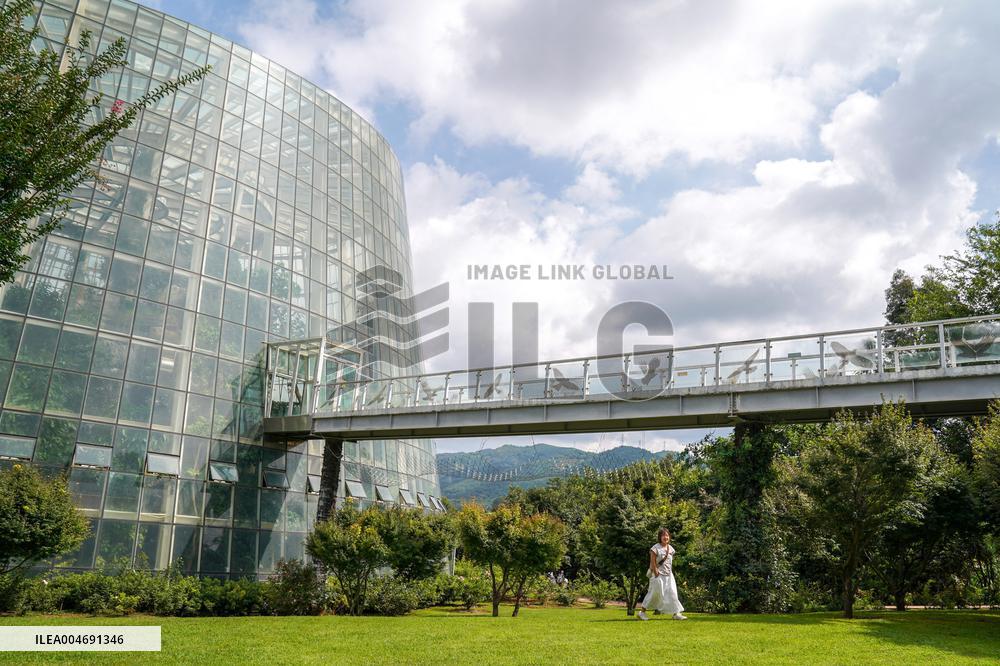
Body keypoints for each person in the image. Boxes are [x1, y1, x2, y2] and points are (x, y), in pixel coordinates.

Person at [637, 527, 687, 621]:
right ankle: (642, 612)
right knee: (653, 594)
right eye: (663, 535)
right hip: (658, 575)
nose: (665, 537)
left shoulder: (671, 549)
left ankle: (676, 613)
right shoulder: (655, 548)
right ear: (660, 537)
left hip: (669, 575)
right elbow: (652, 562)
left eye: (667, 535)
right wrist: (656, 574)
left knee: (673, 593)